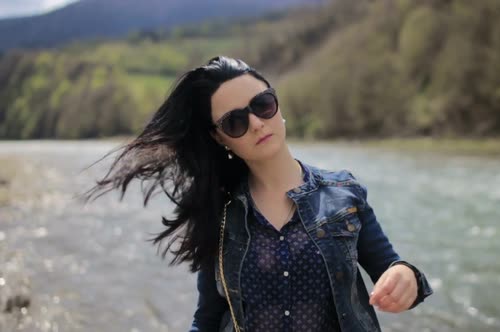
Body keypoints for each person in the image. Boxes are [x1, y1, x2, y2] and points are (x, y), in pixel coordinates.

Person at [86, 55, 432, 331]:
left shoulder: (345, 192)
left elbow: (394, 268)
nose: (255, 122)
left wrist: (407, 278)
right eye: (234, 121)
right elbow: (207, 318)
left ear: (277, 106)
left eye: (262, 105)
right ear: (220, 138)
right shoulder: (217, 214)